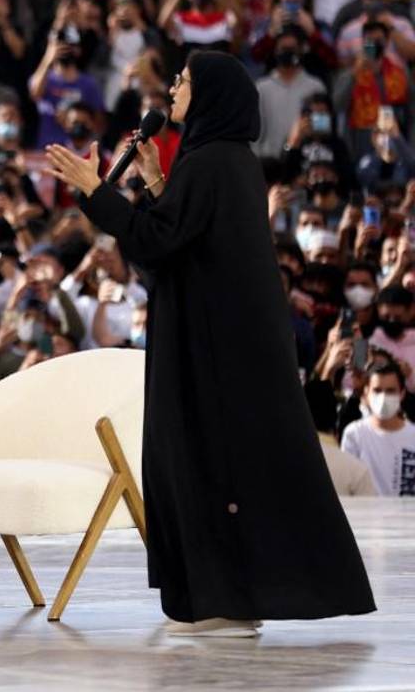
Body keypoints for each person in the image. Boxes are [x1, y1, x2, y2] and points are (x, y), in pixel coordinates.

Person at [45, 51, 375, 635]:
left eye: (184, 80)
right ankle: (229, 597)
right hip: (222, 341)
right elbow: (185, 238)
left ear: (213, 95)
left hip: (212, 349)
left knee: (206, 464)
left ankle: (223, 599)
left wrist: (97, 190)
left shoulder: (211, 162)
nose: (173, 88)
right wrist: (155, 181)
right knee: (219, 465)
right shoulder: (226, 160)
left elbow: (158, 240)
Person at [339, 362, 414, 496]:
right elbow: (347, 483)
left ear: (402, 394)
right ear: (366, 392)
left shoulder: (412, 435)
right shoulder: (354, 434)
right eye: (377, 390)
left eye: (390, 391)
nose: (383, 397)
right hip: (365, 509)